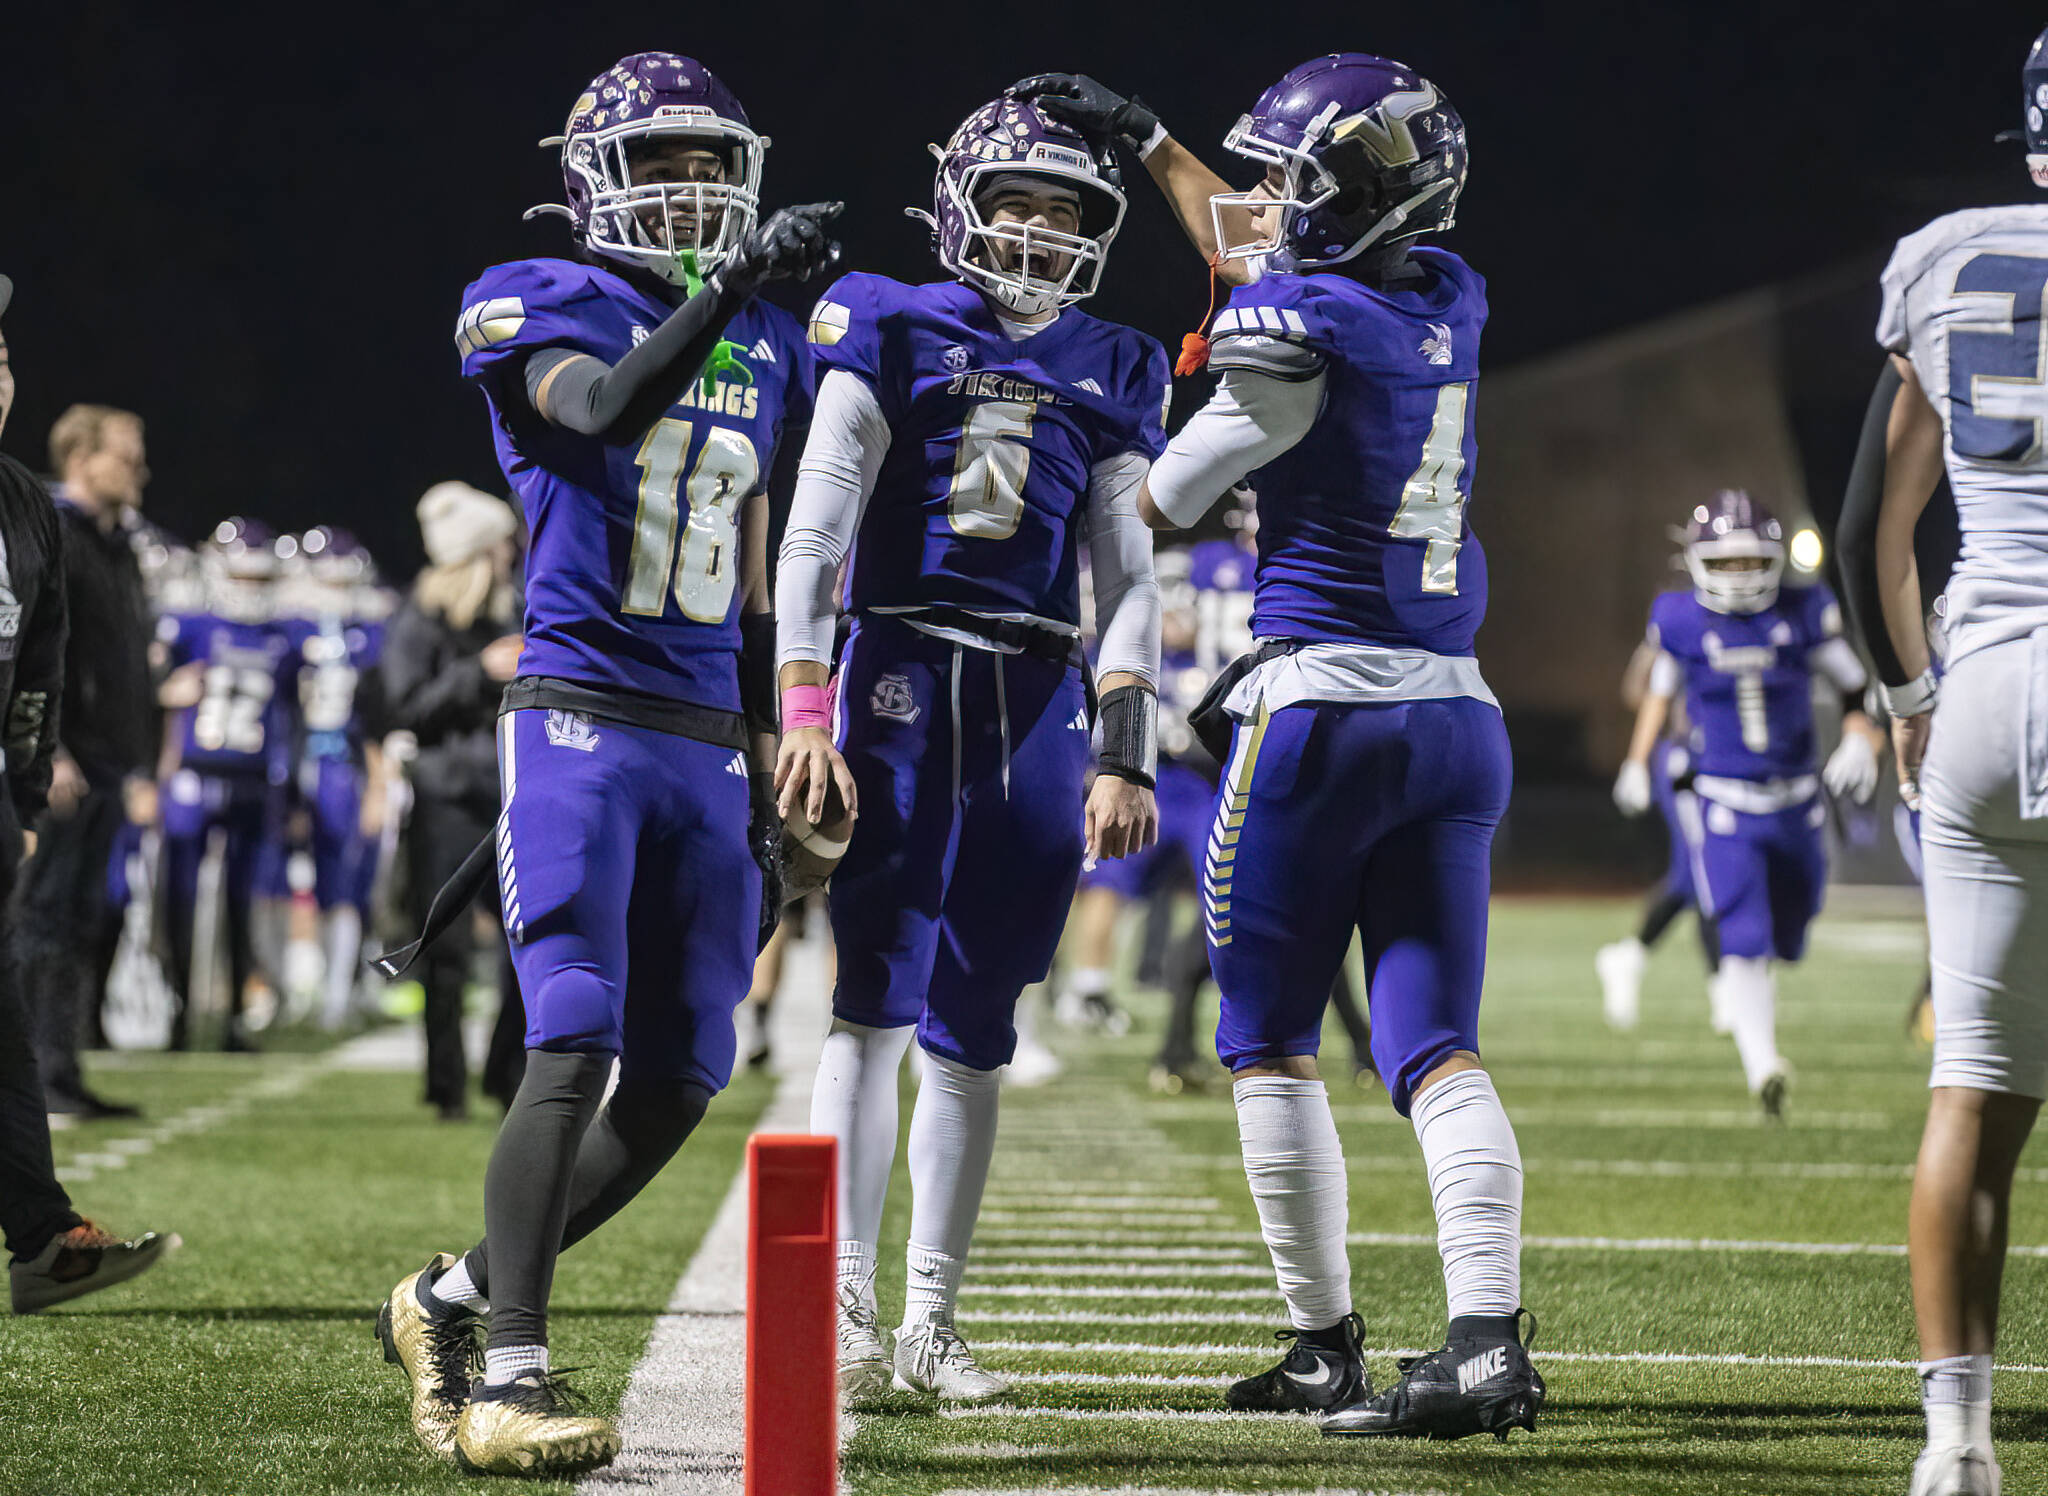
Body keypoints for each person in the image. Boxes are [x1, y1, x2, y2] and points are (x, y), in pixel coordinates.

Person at [1021, 54, 1544, 1440]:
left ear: (1359, 195)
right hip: (1457, 714)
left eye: (1298, 179)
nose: (1270, 201)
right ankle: (1488, 1343)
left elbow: (1181, 491)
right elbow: (1259, 234)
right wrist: (1149, 142)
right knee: (1436, 1044)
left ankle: (1325, 1346)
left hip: (1323, 712)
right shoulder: (1452, 295)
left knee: (1264, 1040)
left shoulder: (1299, 326)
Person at [376, 53, 835, 1477]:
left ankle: (446, 1303)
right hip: (578, 714)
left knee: (688, 1069)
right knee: (572, 1029)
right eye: (662, 164)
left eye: (711, 165)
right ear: (592, 181)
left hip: (704, 738)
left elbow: (760, 570)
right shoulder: (539, 297)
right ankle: (508, 1376)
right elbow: (606, 412)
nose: (693, 190)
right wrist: (725, 291)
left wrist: (787, 738)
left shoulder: (770, 339)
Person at [776, 95, 1165, 1406]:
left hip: (1037, 690)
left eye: (1067, 216)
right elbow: (815, 535)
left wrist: (1127, 748)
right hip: (900, 670)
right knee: (873, 1000)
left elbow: (1130, 574)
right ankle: (838, 1302)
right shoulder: (886, 316)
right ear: (963, 206)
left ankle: (930, 1324)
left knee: (981, 1021)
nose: (1043, 233)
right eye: (1021, 206)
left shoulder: (1113, 359)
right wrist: (805, 708)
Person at [1832, 27, 2048, 1495]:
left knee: (1972, 1085)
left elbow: (1869, 531)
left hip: (1980, 684)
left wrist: (1906, 696)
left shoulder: (1951, 252)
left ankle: (1955, 1443)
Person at [0, 272, 175, 1313]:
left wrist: (24, 785)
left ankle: (45, 1233)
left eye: (5, 359)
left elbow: (41, 659)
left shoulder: (23, 503)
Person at [1613, 493, 1883, 1114]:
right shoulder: (1680, 620)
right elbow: (1658, 693)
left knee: (1792, 928)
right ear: (1698, 560)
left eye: (1751, 562)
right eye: (1726, 563)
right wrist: (1635, 761)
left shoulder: (1804, 610)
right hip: (1724, 802)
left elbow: (1853, 688)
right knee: (1743, 933)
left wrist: (1860, 740)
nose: (1739, 576)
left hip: (1797, 800)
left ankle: (1756, 1030)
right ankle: (1761, 1063)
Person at [19, 401, 155, 1117]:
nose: (141, 468)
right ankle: (35, 1076)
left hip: (106, 761)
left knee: (80, 917)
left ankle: (61, 1072)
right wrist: (53, 746)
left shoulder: (118, 543)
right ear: (81, 457)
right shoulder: (52, 533)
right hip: (62, 760)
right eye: (126, 454)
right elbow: (32, 651)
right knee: (43, 914)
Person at [380, 483, 524, 1118]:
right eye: (501, 544)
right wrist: (478, 673)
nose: (514, 552)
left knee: (530, 943)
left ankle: (505, 1074)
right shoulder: (420, 617)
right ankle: (446, 1088)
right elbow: (402, 709)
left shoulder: (516, 609)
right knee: (447, 951)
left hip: (510, 796)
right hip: (445, 799)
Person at [156, 519, 301, 1052]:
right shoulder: (187, 625)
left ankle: (237, 1015)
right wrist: (161, 694)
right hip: (193, 774)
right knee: (180, 897)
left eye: (260, 580)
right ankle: (176, 1009)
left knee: (244, 900)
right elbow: (148, 690)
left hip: (253, 779)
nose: (249, 588)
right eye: (241, 575)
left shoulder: (285, 640)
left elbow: (293, 719)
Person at [1596, 640, 1720, 1032]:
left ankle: (1631, 958)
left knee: (1708, 875)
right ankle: (1724, 985)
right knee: (1697, 874)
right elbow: (1636, 692)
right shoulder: (1675, 626)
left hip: (1720, 760)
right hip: (1684, 756)